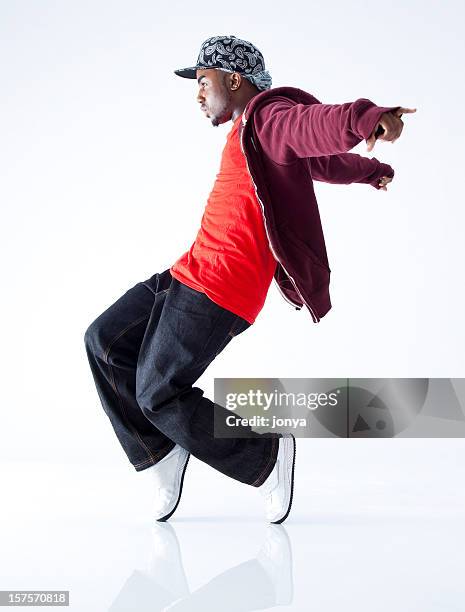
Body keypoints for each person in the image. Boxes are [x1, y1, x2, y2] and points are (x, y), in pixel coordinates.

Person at [84, 35, 416, 524]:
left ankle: (265, 459)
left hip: (218, 289)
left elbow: (313, 126)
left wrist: (366, 118)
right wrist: (370, 171)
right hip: (187, 271)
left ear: (233, 79)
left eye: (203, 81)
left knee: (156, 391)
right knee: (104, 341)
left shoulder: (269, 116)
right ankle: (161, 455)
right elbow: (317, 159)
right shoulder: (249, 133)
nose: (198, 94)